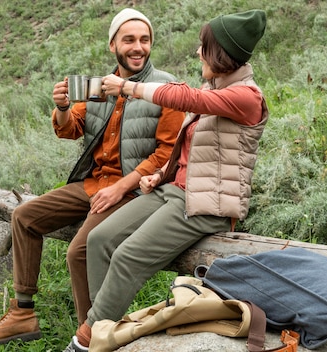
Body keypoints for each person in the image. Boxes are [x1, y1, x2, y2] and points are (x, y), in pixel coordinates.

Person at [0, 8, 185, 346]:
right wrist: (61, 108)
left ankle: (94, 335)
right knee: (24, 216)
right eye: (129, 39)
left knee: (79, 251)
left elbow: (166, 155)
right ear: (112, 45)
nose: (138, 47)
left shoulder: (166, 87)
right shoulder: (99, 87)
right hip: (92, 183)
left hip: (133, 191)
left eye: (145, 40)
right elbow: (73, 129)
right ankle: (23, 314)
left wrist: (120, 188)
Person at [63, 9, 268, 352]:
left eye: (204, 47)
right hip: (173, 191)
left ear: (219, 53)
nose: (198, 53)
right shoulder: (215, 87)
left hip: (205, 204)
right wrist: (161, 174)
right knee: (99, 240)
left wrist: (128, 87)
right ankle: (105, 331)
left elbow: (187, 98)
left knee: (128, 256)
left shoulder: (246, 96)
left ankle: (87, 341)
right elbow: (188, 148)